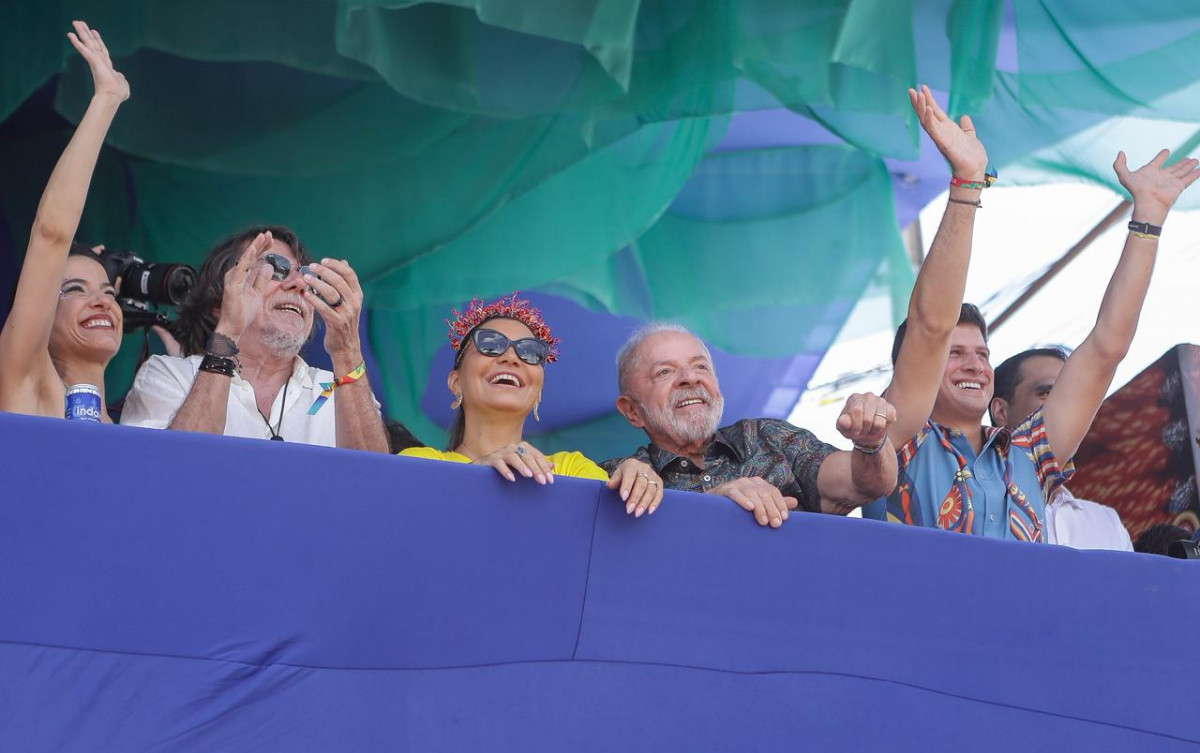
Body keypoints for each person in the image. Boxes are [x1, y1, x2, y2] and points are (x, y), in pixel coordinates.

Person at [866, 91, 1200, 541]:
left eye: (982, 354)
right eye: (955, 352)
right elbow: (929, 326)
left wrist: (1148, 221)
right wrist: (967, 186)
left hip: (1027, 614)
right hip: (919, 613)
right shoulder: (895, 439)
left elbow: (1106, 348)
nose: (975, 365)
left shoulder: (1029, 455)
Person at [603, 322, 898, 527]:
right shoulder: (617, 478)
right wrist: (710, 508)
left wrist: (871, 442)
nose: (690, 378)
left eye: (700, 366)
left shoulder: (767, 438)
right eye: (665, 371)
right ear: (631, 411)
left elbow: (865, 484)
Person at [121, 226, 388, 452]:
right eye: (277, 269)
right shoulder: (170, 376)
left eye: (307, 274)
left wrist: (347, 351)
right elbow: (171, 472)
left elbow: (378, 485)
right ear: (220, 300)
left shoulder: (335, 390)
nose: (299, 284)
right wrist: (228, 330)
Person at [0, 22, 128, 420]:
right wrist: (106, 99)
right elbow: (51, 235)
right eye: (74, 288)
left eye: (109, 292)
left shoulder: (137, 425)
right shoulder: (27, 387)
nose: (102, 301)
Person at [400, 293, 610, 482]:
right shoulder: (419, 464)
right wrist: (477, 475)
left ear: (539, 394)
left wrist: (639, 477)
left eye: (529, 351)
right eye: (490, 344)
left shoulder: (571, 470)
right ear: (456, 383)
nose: (511, 358)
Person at [989, 347, 1132, 551]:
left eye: (1074, 395)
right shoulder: (971, 503)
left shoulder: (1107, 522)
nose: (1066, 406)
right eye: (1048, 393)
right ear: (1001, 411)